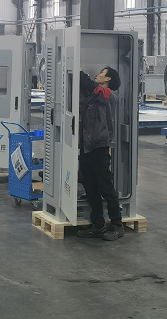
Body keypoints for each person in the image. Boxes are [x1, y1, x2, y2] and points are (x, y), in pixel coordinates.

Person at [76, 66, 124, 242]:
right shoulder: (94, 96)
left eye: (101, 73)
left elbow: (90, 85)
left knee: (106, 188)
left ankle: (117, 226)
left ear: (108, 79)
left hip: (100, 146)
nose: (97, 75)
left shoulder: (108, 94)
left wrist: (79, 71)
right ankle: (98, 225)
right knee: (90, 188)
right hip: (87, 147)